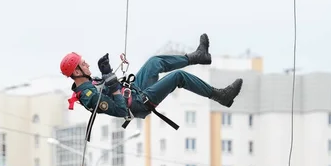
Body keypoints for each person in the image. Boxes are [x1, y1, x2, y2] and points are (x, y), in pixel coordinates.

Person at [60, 33, 243, 121]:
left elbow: (113, 88)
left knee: (154, 62)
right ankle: (220, 95)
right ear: (76, 72)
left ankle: (197, 56)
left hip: (134, 91)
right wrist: (109, 77)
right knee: (178, 77)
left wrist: (110, 77)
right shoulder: (88, 96)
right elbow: (122, 111)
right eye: (83, 64)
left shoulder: (90, 83)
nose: (88, 65)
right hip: (137, 103)